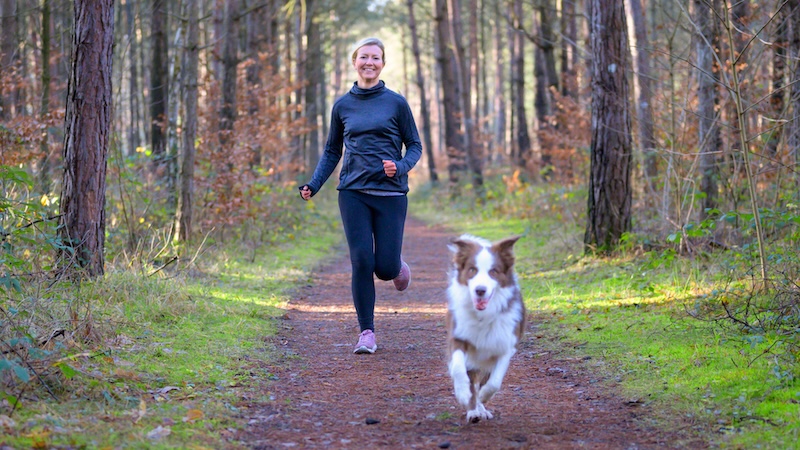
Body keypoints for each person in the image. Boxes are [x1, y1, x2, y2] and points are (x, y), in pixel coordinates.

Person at [298, 37, 422, 355]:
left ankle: (396, 267)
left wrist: (401, 167)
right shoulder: (342, 106)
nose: (369, 62)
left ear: (383, 63)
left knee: (383, 267)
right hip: (352, 192)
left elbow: (415, 145)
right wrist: (314, 183)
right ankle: (366, 332)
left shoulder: (396, 103)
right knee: (362, 260)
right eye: (364, 57)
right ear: (355, 62)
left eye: (376, 57)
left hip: (391, 194)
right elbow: (331, 151)